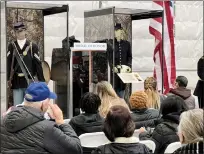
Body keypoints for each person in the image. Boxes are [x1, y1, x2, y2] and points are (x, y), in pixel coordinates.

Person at [1, 82, 82, 154]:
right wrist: (60, 122)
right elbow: (76, 149)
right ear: (43, 104)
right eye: (49, 100)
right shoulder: (47, 129)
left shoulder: (3, 120)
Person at [7, 22, 45, 106]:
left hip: (29, 81)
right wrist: (7, 79)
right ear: (15, 33)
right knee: (18, 106)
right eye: (17, 31)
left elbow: (37, 64)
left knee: (30, 106)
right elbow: (8, 63)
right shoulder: (12, 46)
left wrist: (42, 81)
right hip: (16, 81)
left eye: (21, 31)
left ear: (25, 31)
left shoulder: (32, 46)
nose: (19, 33)